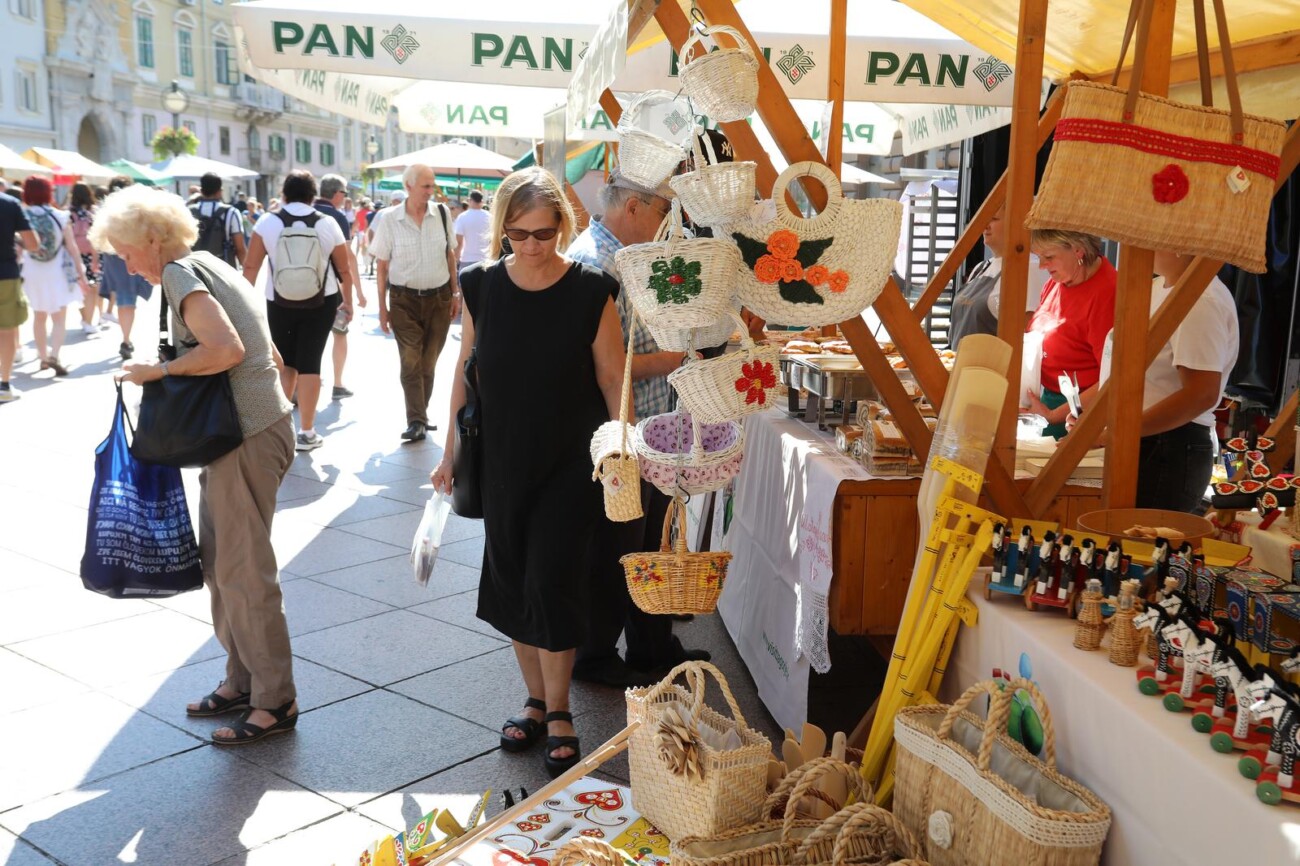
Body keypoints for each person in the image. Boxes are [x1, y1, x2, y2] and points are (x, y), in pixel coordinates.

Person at [430, 167, 624, 778]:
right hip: (504, 458)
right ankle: (535, 700)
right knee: (512, 577)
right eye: (518, 234)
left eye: (543, 233)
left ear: (563, 225)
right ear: (502, 229)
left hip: (572, 459)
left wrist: (621, 447)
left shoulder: (594, 289)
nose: (532, 245)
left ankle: (561, 709)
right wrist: (448, 452)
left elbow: (613, 379)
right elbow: (466, 371)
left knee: (554, 578)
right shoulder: (482, 285)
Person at [92, 185, 299, 745]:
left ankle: (274, 700)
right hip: (252, 431)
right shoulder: (211, 262)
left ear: (153, 240)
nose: (127, 265)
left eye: (127, 252)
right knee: (223, 565)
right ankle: (241, 680)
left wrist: (154, 373)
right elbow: (272, 354)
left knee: (243, 571)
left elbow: (226, 350)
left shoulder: (182, 275)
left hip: (245, 437)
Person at [566, 170, 711, 687]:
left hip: (645, 427)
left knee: (646, 541)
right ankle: (596, 652)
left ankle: (652, 644)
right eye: (660, 211)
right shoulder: (596, 261)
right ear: (632, 207)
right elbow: (602, 363)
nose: (665, 223)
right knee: (618, 547)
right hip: (623, 433)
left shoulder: (616, 256)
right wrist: (671, 359)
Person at [1077, 251, 1239, 513]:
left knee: (1141, 547)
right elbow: (1128, 369)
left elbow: (1201, 393)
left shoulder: (1200, 300)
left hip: (1168, 446)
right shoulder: (1156, 287)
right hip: (1145, 439)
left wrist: (1117, 432)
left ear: (1177, 244)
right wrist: (1095, 417)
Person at [243, 170, 354, 451]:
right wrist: (348, 301)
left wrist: (244, 303)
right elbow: (344, 269)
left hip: (278, 301)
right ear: (313, 195)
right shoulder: (327, 222)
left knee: (285, 362)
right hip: (322, 300)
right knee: (310, 362)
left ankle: (280, 432)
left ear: (284, 194)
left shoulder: (268, 222)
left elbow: (250, 267)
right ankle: (307, 432)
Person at [369, 168, 458, 442]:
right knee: (410, 360)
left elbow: (450, 255)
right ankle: (416, 420)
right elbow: (382, 267)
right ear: (408, 186)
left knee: (428, 362)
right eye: (425, 186)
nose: (430, 191)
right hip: (403, 300)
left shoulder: (442, 214)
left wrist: (455, 294)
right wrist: (382, 309)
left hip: (439, 299)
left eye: (432, 186)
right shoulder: (389, 219)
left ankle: (421, 414)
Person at [1022, 229, 1117, 438]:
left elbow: (1113, 379)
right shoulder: (1059, 282)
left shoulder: (1108, 293)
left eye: (1049, 257)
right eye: (1039, 257)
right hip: (1045, 402)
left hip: (1078, 415)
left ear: (1078, 251)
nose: (1042, 265)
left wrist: (1054, 414)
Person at [947, 202, 1046, 347]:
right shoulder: (981, 267)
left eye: (993, 219)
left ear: (1017, 223)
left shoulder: (1031, 269)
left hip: (991, 368)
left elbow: (1028, 338)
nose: (985, 225)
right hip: (958, 366)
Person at [20, 176, 89, 377]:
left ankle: (42, 358)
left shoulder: (23, 215)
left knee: (38, 316)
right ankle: (55, 355)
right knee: (59, 318)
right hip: (57, 271)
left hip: (32, 271)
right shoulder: (60, 216)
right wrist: (80, 273)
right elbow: (72, 247)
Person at [314, 173, 365, 399]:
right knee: (339, 333)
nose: (345, 197)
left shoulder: (305, 210)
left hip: (298, 288)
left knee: (308, 339)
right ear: (336, 193)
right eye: (345, 193)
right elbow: (348, 260)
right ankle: (338, 383)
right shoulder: (337, 217)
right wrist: (354, 295)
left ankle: (301, 385)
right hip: (331, 287)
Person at [97, 176, 154, 361]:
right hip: (132, 253)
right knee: (128, 300)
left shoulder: (105, 210)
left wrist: (96, 258)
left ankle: (126, 339)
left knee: (123, 299)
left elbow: (97, 237)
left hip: (113, 256)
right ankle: (126, 339)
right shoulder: (135, 209)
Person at [0, 181, 36, 402]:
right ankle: (4, 385)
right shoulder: (9, 203)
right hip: (5, 274)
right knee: (7, 331)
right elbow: (32, 243)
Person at [190, 173, 246, 269]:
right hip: (224, 269)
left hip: (196, 269)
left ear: (201, 191)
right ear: (220, 191)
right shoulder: (231, 212)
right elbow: (240, 248)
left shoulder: (189, 212)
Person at [68, 182, 103, 336]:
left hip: (74, 254)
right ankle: (88, 321)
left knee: (80, 288)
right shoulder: (93, 212)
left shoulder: (69, 213)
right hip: (91, 253)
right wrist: (96, 258)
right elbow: (96, 238)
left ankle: (85, 319)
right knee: (93, 289)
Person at [455, 190, 491, 269]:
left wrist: (456, 258)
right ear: (481, 201)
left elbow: (458, 241)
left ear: (470, 200)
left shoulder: (462, 217)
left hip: (467, 258)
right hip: (485, 259)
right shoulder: (489, 217)